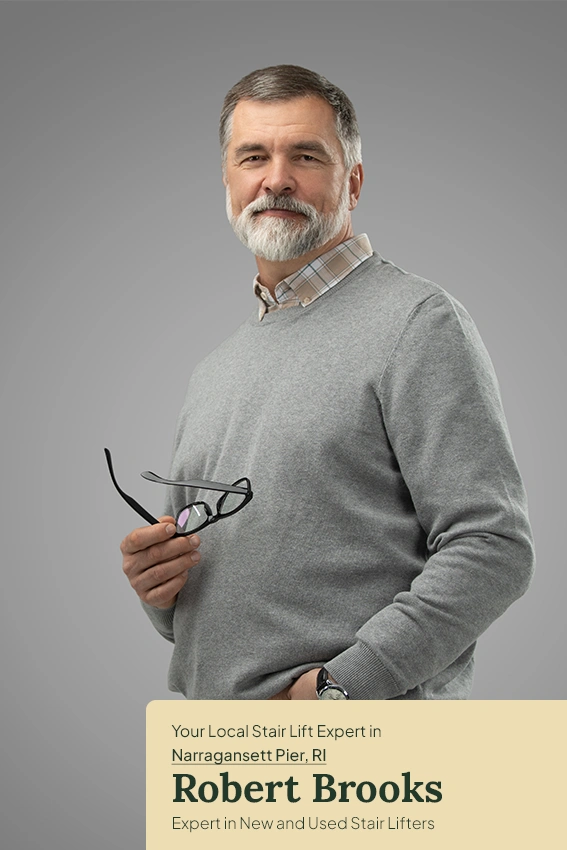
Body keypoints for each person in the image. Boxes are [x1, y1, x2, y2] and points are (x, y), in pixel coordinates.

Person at [119, 65, 534, 700]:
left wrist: (340, 690)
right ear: (228, 181)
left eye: (305, 155)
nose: (276, 177)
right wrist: (160, 588)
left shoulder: (417, 322)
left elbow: (493, 546)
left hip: (359, 759)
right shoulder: (214, 370)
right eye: (253, 156)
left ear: (354, 181)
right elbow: (208, 609)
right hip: (217, 759)